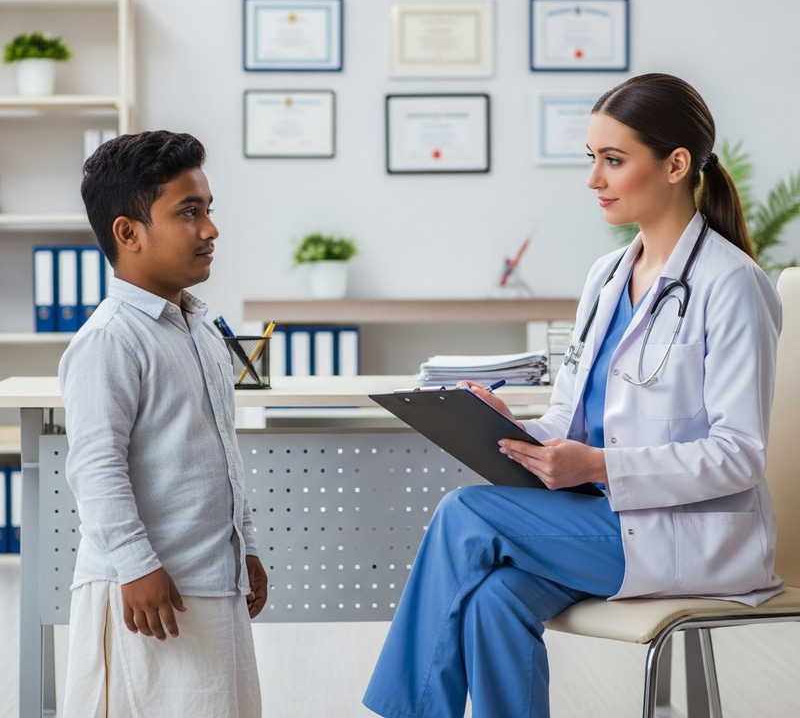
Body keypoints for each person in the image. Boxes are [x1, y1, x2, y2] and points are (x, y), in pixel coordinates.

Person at [363, 73, 784, 718]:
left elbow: (738, 456)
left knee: (465, 514)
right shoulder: (607, 276)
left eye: (613, 161)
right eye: (593, 159)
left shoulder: (732, 285)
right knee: (493, 599)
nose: (594, 180)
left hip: (685, 537)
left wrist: (598, 467)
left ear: (676, 164)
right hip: (602, 517)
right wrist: (518, 429)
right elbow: (574, 415)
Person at [58, 130, 266, 718]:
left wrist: (244, 548)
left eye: (209, 210)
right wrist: (138, 566)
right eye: (189, 212)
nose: (210, 229)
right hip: (148, 593)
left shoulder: (198, 328)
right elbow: (96, 468)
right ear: (128, 233)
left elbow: (222, 452)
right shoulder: (110, 340)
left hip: (210, 581)